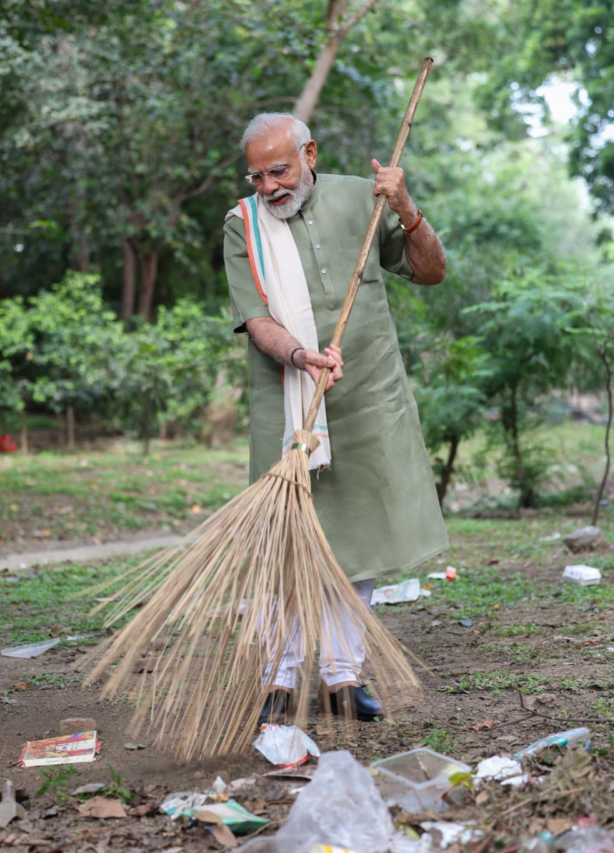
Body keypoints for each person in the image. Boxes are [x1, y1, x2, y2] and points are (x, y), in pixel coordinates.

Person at [223, 112, 448, 724]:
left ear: (310, 154)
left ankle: (342, 680)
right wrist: (300, 356)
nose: (269, 186)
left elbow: (431, 271)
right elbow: (258, 318)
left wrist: (406, 207)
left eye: (280, 170)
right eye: (257, 175)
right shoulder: (242, 225)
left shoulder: (363, 198)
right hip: (289, 396)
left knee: (363, 534)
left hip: (371, 392)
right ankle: (278, 680)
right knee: (287, 537)